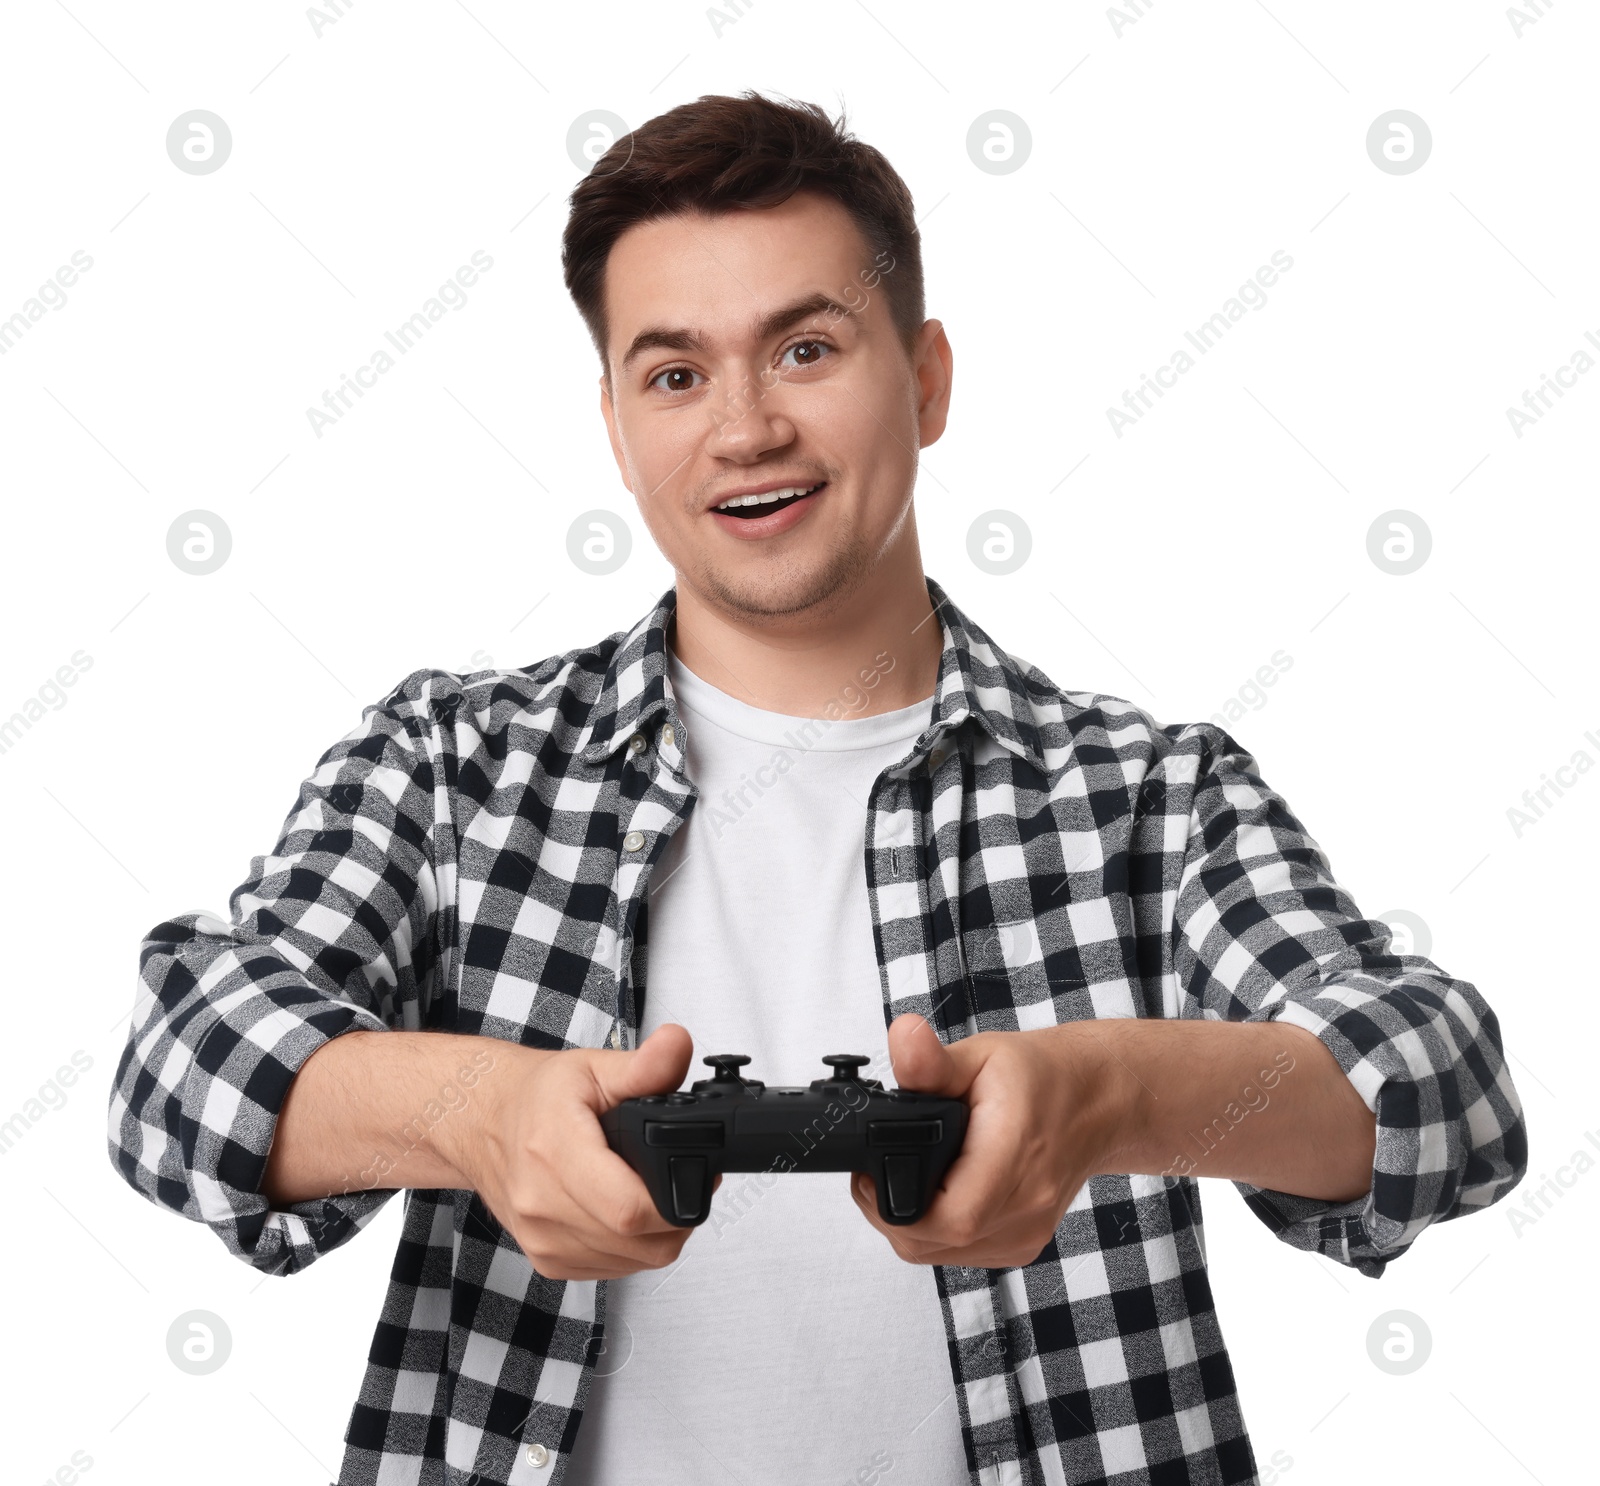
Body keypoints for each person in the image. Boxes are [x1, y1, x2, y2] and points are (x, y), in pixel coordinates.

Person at [107, 91, 1527, 1486]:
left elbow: (1441, 1094)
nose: (742, 429)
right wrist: (476, 1110)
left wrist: (1108, 1094)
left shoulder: (1148, 799)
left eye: (803, 348)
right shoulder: (451, 767)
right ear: (615, 425)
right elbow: (178, 1068)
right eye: (674, 374)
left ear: (926, 378)